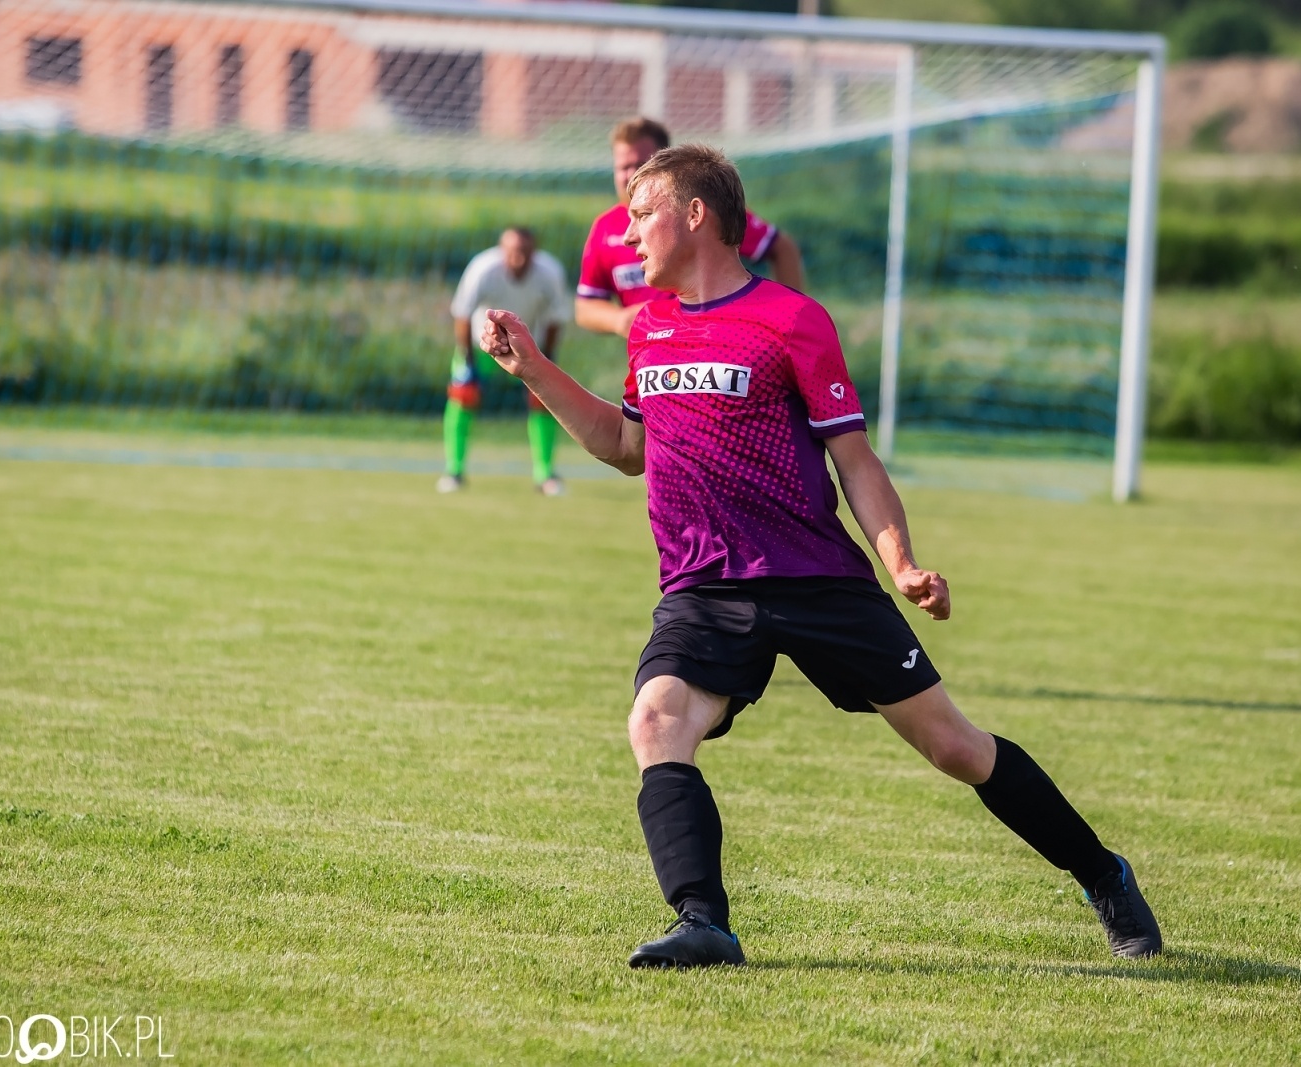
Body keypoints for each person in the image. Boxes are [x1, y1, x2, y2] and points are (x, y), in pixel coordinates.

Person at [481, 145, 1162, 968]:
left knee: (954, 747)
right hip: (703, 584)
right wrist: (533, 369)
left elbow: (856, 459)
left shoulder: (792, 319)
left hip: (816, 578)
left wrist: (901, 561)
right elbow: (628, 445)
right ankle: (705, 921)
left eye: (640, 213)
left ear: (695, 214)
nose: (626, 236)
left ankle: (1103, 873)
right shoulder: (651, 327)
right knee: (657, 722)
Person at [575, 117, 805, 340]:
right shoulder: (605, 228)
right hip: (652, 361)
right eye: (623, 167)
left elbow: (781, 248)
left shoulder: (699, 211)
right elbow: (585, 306)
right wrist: (621, 320)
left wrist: (786, 321)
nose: (631, 174)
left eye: (641, 164)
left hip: (718, 345)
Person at [440, 227, 570, 496]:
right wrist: (468, 361)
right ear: (502, 251)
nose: (519, 259)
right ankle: (454, 471)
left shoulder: (550, 273)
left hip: (527, 349)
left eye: (525, 253)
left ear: (535, 252)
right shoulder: (482, 269)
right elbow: (462, 314)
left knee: (544, 402)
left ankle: (544, 475)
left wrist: (547, 359)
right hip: (482, 347)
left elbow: (556, 317)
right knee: (462, 397)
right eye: (513, 252)